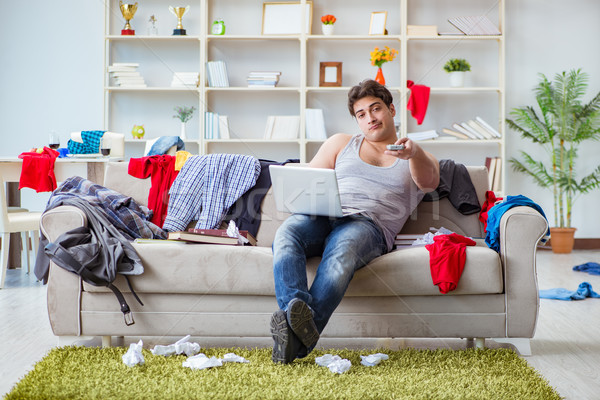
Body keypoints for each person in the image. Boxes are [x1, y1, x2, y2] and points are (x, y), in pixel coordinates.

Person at [270, 79, 440, 363]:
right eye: (361, 114)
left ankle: (293, 339)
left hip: (368, 226)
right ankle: (295, 321)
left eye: (376, 109)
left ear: (391, 109)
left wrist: (416, 153)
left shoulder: (414, 155)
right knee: (286, 234)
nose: (370, 118)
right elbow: (307, 185)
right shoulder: (341, 143)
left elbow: (430, 181)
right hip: (323, 214)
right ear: (357, 121)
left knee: (342, 250)